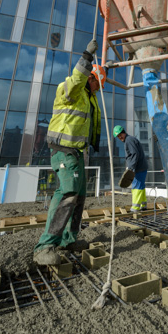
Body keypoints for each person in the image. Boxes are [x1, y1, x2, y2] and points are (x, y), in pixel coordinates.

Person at [33, 39, 105, 266]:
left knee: (80, 196)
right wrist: (87, 57)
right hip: (64, 151)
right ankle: (45, 246)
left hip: (76, 153)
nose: (98, 89)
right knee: (68, 193)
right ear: (90, 78)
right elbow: (77, 79)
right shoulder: (70, 89)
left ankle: (68, 239)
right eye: (97, 84)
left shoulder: (89, 98)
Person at [113, 126, 148, 212]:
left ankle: (135, 208)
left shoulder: (129, 140)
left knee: (136, 186)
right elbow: (134, 154)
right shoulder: (130, 139)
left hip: (138, 168)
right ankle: (143, 205)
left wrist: (131, 168)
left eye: (120, 135)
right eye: (118, 136)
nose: (119, 137)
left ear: (123, 132)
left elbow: (134, 154)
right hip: (141, 167)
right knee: (141, 186)